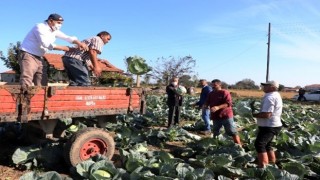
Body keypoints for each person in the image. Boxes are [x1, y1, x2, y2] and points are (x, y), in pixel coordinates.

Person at [19, 13, 88, 87]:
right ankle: (24, 97)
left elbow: (67, 37)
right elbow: (46, 44)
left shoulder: (54, 31)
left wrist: (79, 43)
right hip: (28, 54)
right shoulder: (40, 27)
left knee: (42, 79)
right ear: (50, 21)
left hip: (39, 57)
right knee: (27, 77)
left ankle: (42, 97)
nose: (60, 25)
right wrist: (67, 49)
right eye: (58, 23)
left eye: (61, 23)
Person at [253, 80, 283, 168]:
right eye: (264, 85)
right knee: (268, 145)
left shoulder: (270, 97)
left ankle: (263, 167)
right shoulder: (275, 95)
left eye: (267, 85)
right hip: (274, 124)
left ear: (273, 87)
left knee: (259, 144)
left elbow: (267, 114)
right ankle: (272, 163)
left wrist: (253, 115)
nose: (264, 87)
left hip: (269, 125)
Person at [203, 79, 241, 145]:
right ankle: (216, 146)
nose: (213, 86)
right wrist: (205, 105)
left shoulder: (224, 92)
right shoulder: (211, 94)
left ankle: (239, 145)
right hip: (215, 116)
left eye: (215, 85)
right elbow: (207, 102)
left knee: (231, 131)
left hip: (226, 115)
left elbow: (228, 103)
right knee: (216, 132)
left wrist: (218, 107)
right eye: (212, 85)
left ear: (219, 85)